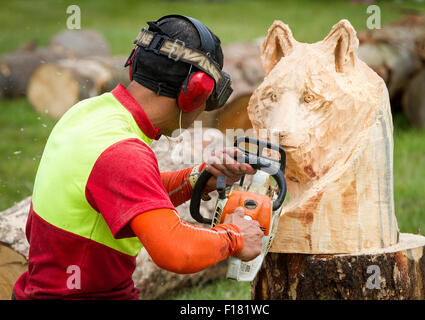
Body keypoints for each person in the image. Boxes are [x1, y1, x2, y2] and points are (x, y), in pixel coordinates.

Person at [12, 15, 263, 300]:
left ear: (134, 64)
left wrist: (198, 178)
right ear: (195, 93)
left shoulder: (88, 113)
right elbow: (175, 251)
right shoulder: (123, 154)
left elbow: (131, 194)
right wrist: (235, 236)